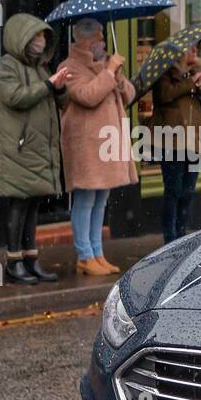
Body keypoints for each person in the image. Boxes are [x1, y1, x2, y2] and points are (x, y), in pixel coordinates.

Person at [0, 14, 72, 284]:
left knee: (33, 204)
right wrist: (48, 85)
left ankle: (31, 260)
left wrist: (59, 88)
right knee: (19, 204)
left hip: (37, 150)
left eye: (44, 37)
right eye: (36, 36)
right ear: (21, 38)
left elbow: (62, 102)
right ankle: (13, 262)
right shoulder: (5, 67)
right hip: (17, 149)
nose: (41, 41)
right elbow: (15, 97)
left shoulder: (41, 69)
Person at [60, 18, 137, 277]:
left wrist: (117, 76)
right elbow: (87, 96)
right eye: (99, 37)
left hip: (106, 144)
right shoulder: (69, 67)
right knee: (84, 200)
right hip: (85, 146)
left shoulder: (105, 67)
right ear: (84, 40)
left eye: (103, 37)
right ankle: (84, 255)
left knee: (101, 200)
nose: (103, 42)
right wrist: (107, 72)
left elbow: (130, 96)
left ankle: (97, 253)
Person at [152, 45, 201, 242]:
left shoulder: (197, 74)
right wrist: (190, 83)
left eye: (196, 49)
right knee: (173, 190)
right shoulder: (165, 75)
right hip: (172, 141)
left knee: (188, 191)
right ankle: (170, 237)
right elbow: (164, 95)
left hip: (194, 141)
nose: (194, 52)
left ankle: (181, 234)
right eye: (190, 49)